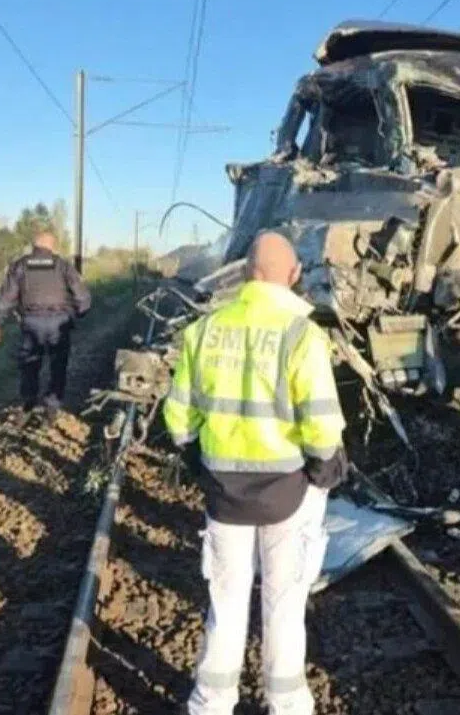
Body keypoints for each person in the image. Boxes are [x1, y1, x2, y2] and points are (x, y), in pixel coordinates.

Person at [164, 231, 348, 715]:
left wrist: (193, 455)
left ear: (246, 273)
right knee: (284, 604)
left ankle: (210, 703)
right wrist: (322, 463)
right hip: (287, 494)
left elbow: (178, 418)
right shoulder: (301, 334)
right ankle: (286, 705)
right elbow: (324, 426)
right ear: (292, 276)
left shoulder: (203, 331)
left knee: (225, 601)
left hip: (225, 494)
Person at [0, 231, 91, 420]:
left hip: (31, 323)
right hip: (59, 323)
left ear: (34, 245)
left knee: (30, 364)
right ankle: (51, 407)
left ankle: (28, 401)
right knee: (58, 365)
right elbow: (82, 297)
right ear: (52, 246)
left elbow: (5, 299)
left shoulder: (20, 265)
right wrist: (79, 313)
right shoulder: (63, 266)